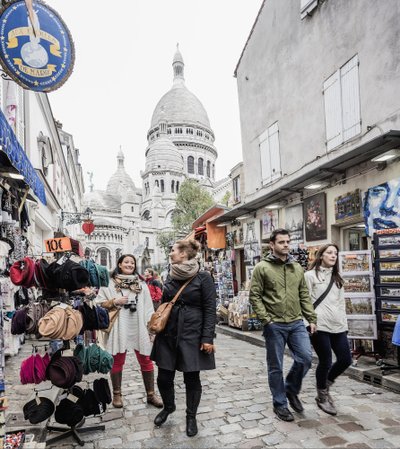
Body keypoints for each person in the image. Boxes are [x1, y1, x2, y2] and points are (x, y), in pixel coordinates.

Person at [249, 228, 317, 422]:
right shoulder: (262, 268)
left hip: (296, 322)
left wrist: (311, 318)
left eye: (288, 241)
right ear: (272, 245)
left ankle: (291, 389)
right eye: (281, 242)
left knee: (305, 358)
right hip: (274, 325)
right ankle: (280, 404)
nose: (286, 245)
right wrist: (266, 321)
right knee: (275, 367)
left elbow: (304, 294)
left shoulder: (297, 268)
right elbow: (255, 296)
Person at [150, 239, 216, 437]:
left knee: (192, 378)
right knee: (163, 377)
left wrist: (207, 338)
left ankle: (191, 416)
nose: (170, 253)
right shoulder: (169, 275)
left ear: (184, 254)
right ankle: (169, 407)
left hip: (192, 334)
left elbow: (210, 309)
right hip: (168, 333)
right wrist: (157, 327)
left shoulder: (203, 277)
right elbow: (164, 303)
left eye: (173, 250)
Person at [96, 254, 163, 409]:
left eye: (132, 262)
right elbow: (99, 303)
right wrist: (115, 301)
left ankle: (151, 394)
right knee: (117, 359)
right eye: (126, 262)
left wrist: (150, 327)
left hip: (139, 325)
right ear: (119, 264)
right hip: (120, 326)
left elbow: (148, 307)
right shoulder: (109, 284)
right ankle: (117, 394)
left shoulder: (141, 284)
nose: (129, 264)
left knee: (146, 359)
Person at [304, 243, 352, 415]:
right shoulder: (309, 276)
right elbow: (305, 301)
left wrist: (344, 325)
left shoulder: (338, 278)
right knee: (325, 361)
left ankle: (326, 384)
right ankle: (322, 395)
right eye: (330, 253)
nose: (333, 256)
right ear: (321, 255)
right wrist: (308, 321)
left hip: (338, 326)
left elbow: (341, 304)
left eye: (336, 253)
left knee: (346, 359)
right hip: (319, 325)